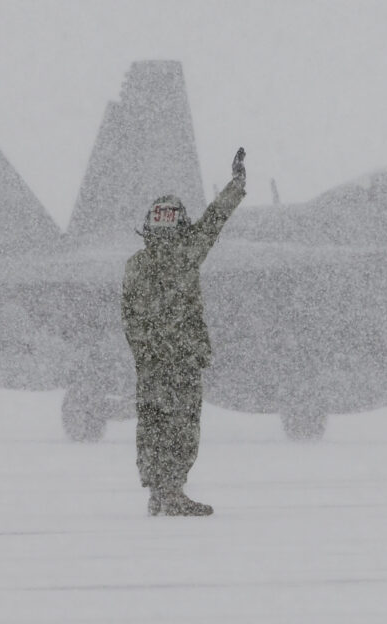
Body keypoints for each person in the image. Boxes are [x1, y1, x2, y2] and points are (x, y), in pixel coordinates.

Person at [121, 147, 247, 516]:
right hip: (181, 359)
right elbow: (214, 219)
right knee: (181, 424)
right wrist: (237, 184)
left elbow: (128, 317)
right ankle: (172, 491)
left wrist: (143, 353)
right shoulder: (187, 253)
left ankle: (158, 491)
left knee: (152, 422)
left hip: (151, 363)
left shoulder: (136, 265)